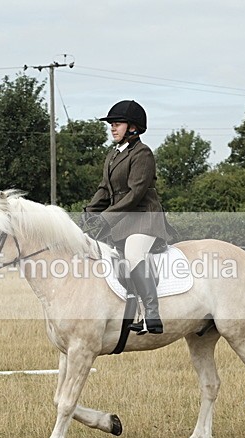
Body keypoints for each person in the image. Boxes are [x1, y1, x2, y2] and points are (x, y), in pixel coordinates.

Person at [82, 100, 173, 335]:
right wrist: (89, 212)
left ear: (133, 127)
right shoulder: (113, 155)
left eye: (117, 123)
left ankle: (152, 313)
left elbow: (135, 194)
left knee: (133, 255)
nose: (112, 127)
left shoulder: (142, 153)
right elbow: (105, 189)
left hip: (144, 218)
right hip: (123, 221)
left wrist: (107, 217)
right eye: (111, 124)